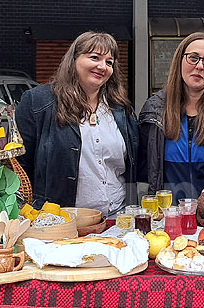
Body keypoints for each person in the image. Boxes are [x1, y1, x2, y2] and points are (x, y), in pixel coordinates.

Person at [16, 31, 138, 214]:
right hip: (62, 220)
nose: (102, 66)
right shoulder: (38, 102)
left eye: (109, 62)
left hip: (118, 217)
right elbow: (20, 167)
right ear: (74, 59)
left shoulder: (121, 108)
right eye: (95, 57)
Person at [138, 32, 204, 202]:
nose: (199, 66)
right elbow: (143, 172)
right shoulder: (155, 110)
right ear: (180, 62)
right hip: (168, 213)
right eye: (193, 58)